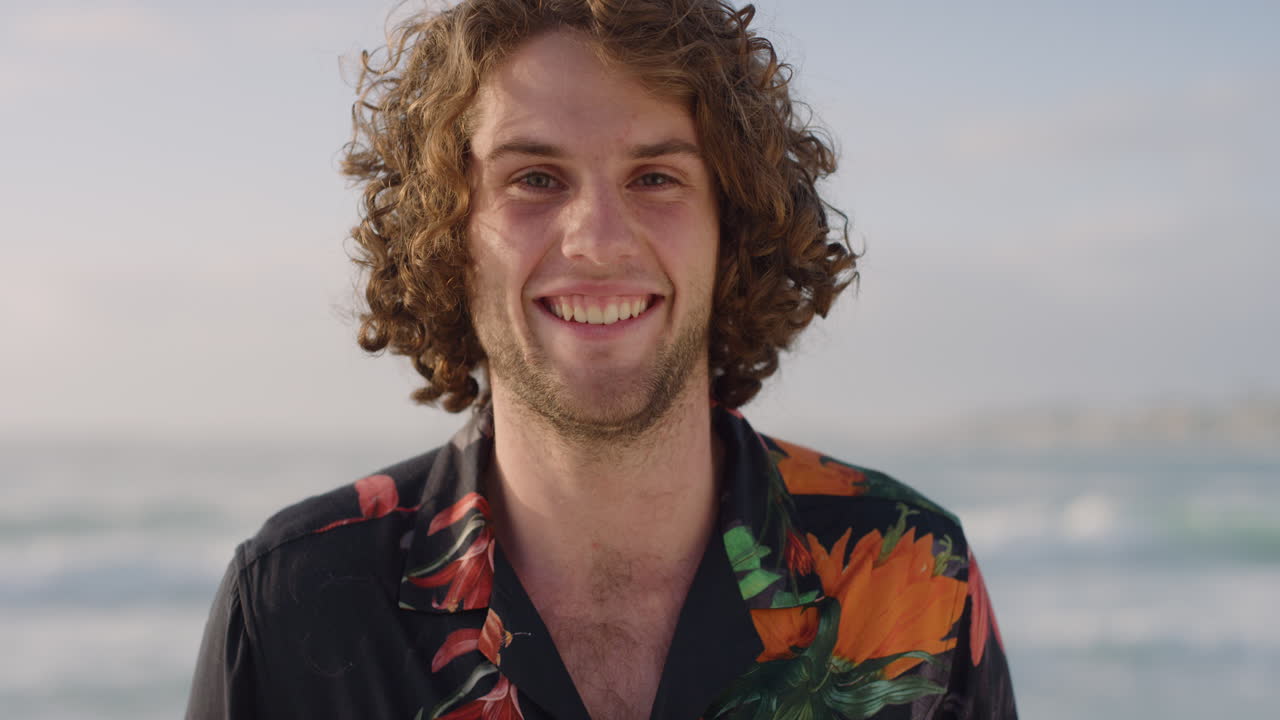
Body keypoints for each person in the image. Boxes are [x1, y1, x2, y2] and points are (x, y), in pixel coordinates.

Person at [187, 1, 1017, 718]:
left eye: (656, 177)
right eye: (536, 178)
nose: (598, 239)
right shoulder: (296, 602)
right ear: (448, 234)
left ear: (732, 228)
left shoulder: (915, 575)